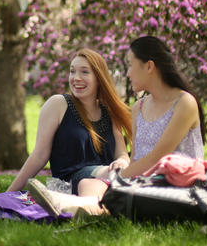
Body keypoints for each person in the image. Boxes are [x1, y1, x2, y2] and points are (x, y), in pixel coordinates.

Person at [27, 36, 207, 217]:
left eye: (130, 65)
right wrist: (124, 174)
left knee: (174, 181)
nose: (126, 73)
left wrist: (119, 178)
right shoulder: (138, 107)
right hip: (151, 179)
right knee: (110, 190)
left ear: (149, 66)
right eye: (73, 71)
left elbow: (159, 156)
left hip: (180, 178)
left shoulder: (185, 103)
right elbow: (139, 157)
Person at [7, 48, 131, 214]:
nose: (76, 78)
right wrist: (8, 194)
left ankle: (89, 209)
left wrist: (122, 161)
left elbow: (122, 154)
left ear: (99, 79)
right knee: (98, 179)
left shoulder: (109, 112)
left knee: (98, 184)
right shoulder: (59, 104)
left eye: (84, 72)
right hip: (70, 182)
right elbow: (39, 155)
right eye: (72, 71)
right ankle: (78, 204)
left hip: (104, 182)